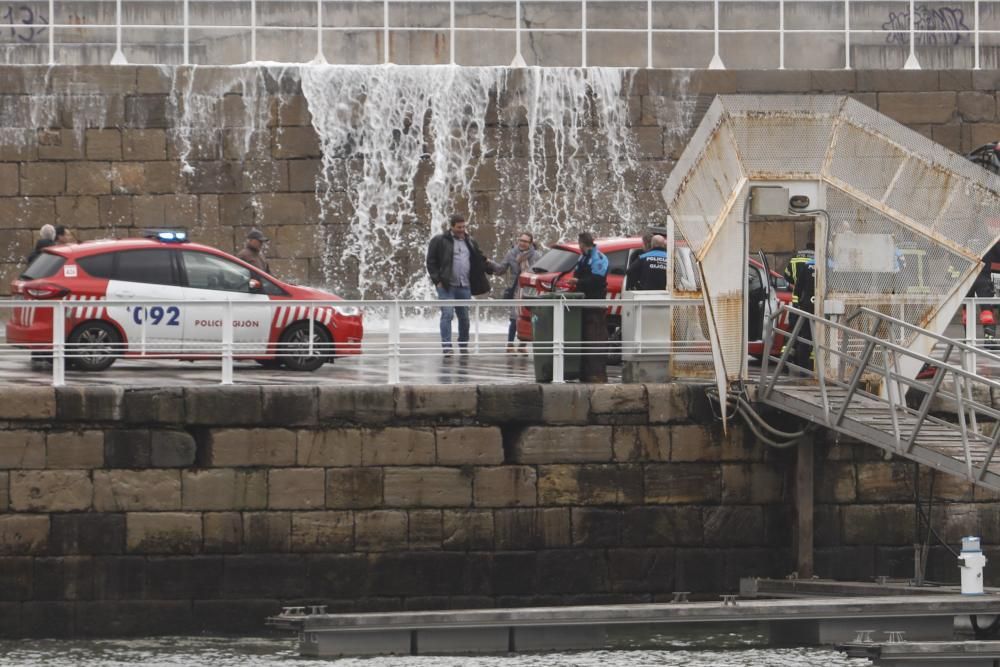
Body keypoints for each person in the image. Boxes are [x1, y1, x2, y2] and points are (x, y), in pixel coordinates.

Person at [426, 214, 492, 355]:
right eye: (459, 227)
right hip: (446, 285)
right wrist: (437, 281)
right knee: (447, 314)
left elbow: (478, 258)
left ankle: (463, 344)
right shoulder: (439, 240)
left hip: (465, 285)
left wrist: (490, 266)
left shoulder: (470, 241)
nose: (462, 229)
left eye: (464, 226)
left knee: (464, 317)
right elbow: (430, 262)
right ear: (451, 226)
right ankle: (447, 347)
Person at [569, 232, 610, 383]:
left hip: (595, 304)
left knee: (595, 335)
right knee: (585, 336)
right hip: (584, 303)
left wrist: (578, 282)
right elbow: (579, 272)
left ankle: (596, 373)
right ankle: (585, 372)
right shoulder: (584, 257)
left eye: (579, 244)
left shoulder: (598, 258)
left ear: (582, 244)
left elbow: (597, 281)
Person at [490, 231, 540, 353]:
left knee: (528, 316)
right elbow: (501, 269)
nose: (522, 243)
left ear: (530, 243)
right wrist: (489, 263)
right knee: (514, 317)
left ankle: (522, 346)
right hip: (517, 288)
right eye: (521, 240)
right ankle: (510, 344)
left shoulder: (536, 255)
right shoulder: (511, 254)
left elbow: (541, 272)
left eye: (526, 241)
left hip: (531, 290)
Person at [792, 258, 816, 371]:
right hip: (822, 308)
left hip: (807, 306)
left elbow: (797, 288)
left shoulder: (807, 267)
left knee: (806, 335)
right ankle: (810, 364)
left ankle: (804, 365)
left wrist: (796, 303)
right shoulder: (830, 267)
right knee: (821, 336)